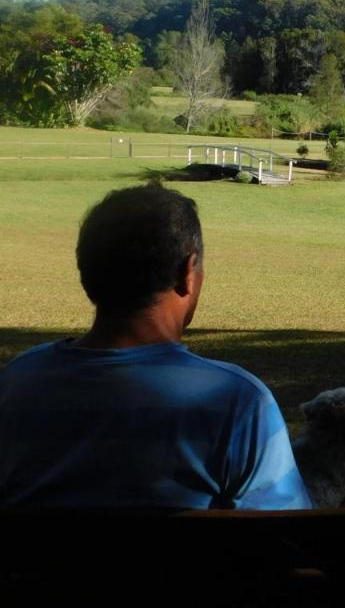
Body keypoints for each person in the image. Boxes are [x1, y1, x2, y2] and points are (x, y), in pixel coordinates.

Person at [0, 184, 315, 510]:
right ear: (187, 274)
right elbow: (287, 543)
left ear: (87, 270)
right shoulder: (239, 403)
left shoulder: (15, 384)